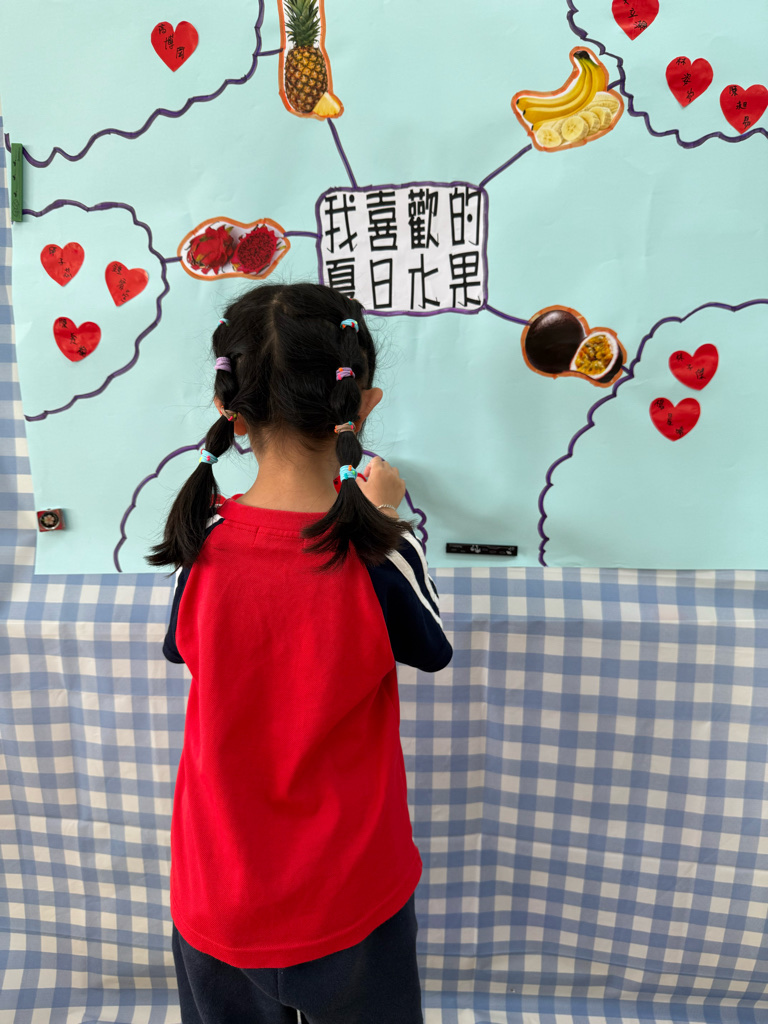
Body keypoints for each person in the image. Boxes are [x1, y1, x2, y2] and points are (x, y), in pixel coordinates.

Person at [147, 282, 453, 1023]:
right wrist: (386, 515)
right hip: (351, 895)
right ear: (363, 405)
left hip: (218, 892)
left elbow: (184, 651)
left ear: (230, 409)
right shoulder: (379, 552)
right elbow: (433, 649)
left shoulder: (203, 542)